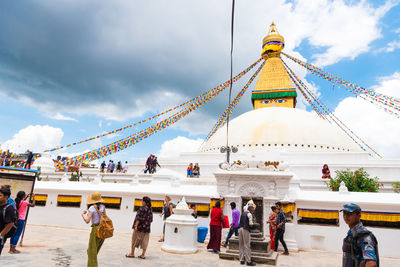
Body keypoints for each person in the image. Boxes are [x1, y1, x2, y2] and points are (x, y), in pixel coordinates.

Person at [81, 192, 106, 267]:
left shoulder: (91, 208)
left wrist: (82, 214)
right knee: (91, 251)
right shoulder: (103, 206)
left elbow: (87, 221)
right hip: (103, 229)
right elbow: (104, 217)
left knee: (92, 252)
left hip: (95, 229)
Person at [0, 186, 17, 256]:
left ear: (6, 197)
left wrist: (1, 235)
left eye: (0, 196)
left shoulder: (9, 209)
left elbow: (10, 224)